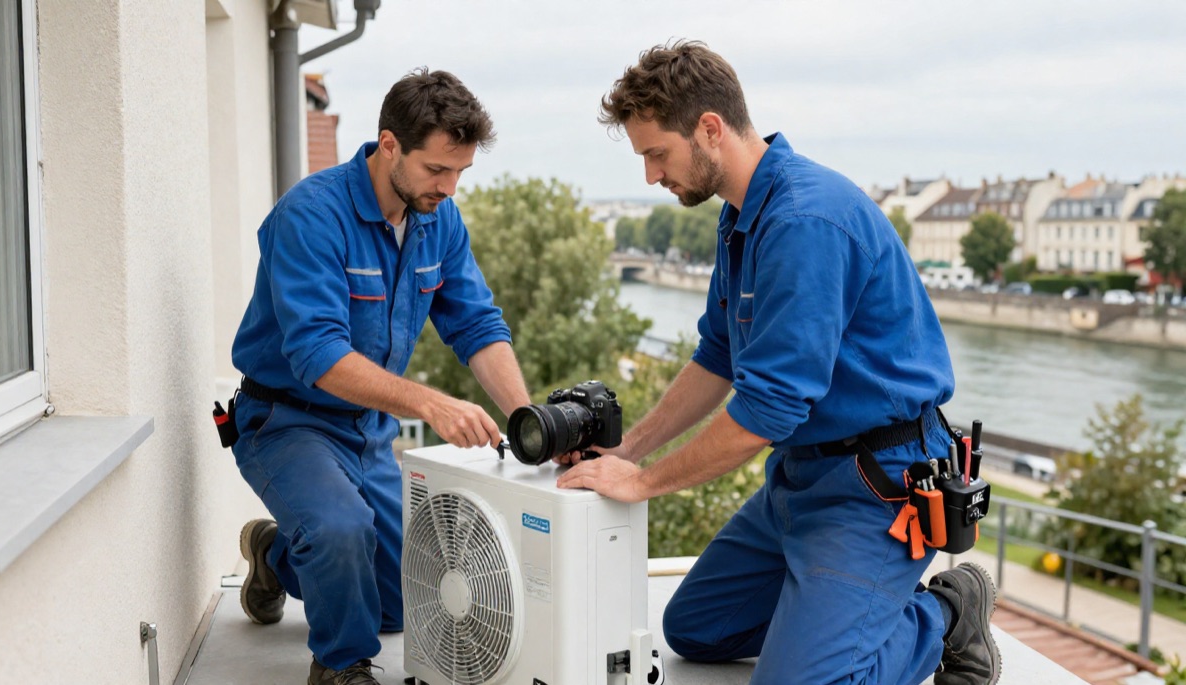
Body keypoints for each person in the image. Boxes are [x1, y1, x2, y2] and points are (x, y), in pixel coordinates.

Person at [557, 41, 1000, 685]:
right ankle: (837, 613)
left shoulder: (804, 220)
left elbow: (767, 408)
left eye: (657, 153)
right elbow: (717, 357)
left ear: (709, 129)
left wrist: (644, 483)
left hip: (874, 487)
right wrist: (628, 452)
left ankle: (947, 614)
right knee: (695, 631)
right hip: (799, 479)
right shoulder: (743, 216)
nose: (650, 175)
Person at [229, 68, 530, 685]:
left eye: (460, 173)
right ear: (389, 144)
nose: (448, 187)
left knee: (398, 603)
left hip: (365, 430)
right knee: (343, 534)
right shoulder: (311, 216)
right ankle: (339, 667)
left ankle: (276, 551)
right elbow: (318, 355)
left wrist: (525, 418)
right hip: (285, 420)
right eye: (436, 170)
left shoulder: (437, 220)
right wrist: (432, 404)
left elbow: (476, 325)